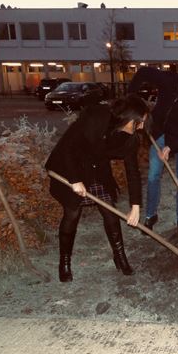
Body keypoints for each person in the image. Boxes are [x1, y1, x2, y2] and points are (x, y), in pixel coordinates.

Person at [45, 95, 150, 282]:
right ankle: (65, 262)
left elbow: (132, 171)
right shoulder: (96, 116)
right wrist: (75, 180)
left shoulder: (130, 139)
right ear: (128, 118)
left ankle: (120, 257)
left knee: (109, 210)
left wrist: (135, 206)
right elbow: (69, 146)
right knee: (72, 213)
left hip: (96, 168)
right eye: (139, 122)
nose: (141, 127)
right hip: (70, 165)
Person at [128, 66, 178, 235]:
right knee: (153, 176)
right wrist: (131, 97)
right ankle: (150, 215)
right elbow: (142, 72)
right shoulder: (168, 80)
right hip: (160, 133)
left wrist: (171, 147)